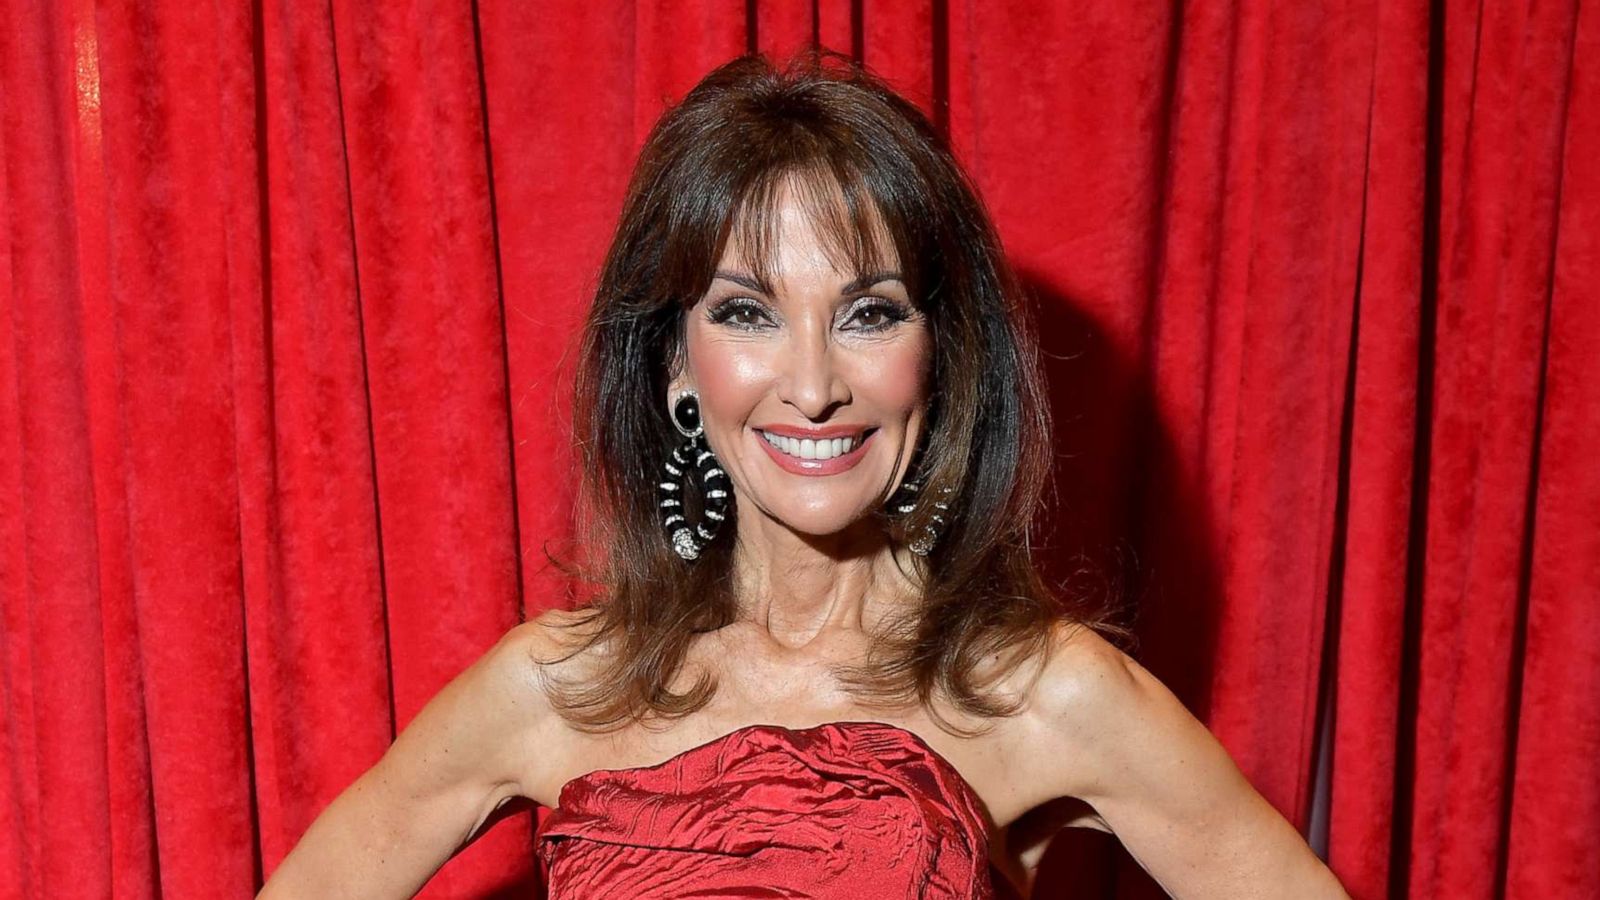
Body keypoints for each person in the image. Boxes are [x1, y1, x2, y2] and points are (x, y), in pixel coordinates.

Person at [258, 49, 1350, 899]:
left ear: (938, 357)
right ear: (677, 366)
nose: (814, 382)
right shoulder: (552, 688)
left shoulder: (1043, 694)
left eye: (869, 313)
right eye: (747, 313)